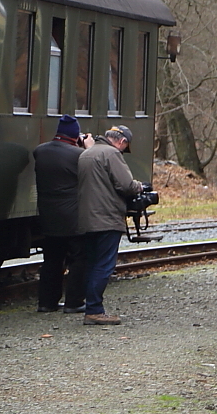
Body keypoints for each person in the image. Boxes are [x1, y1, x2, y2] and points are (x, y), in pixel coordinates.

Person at [77, 125, 143, 325]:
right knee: (104, 265)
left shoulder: (86, 154)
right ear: (122, 142)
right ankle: (94, 310)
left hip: (87, 218)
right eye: (125, 146)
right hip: (107, 218)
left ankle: (90, 306)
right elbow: (126, 185)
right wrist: (140, 186)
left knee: (90, 264)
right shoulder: (111, 153)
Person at [32, 115, 92, 313]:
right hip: (73, 217)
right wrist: (88, 147)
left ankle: (46, 303)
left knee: (51, 259)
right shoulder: (79, 155)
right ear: (76, 135)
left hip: (48, 215)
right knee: (79, 258)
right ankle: (74, 302)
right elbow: (95, 166)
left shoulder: (40, 151)